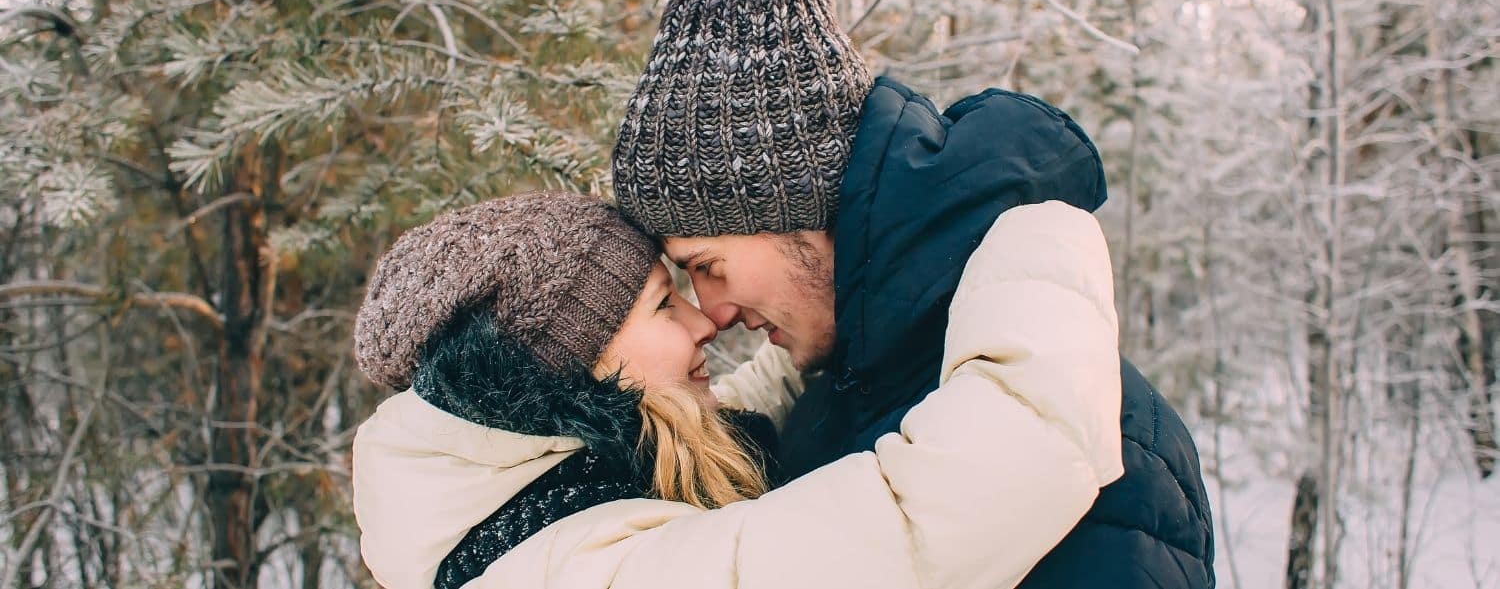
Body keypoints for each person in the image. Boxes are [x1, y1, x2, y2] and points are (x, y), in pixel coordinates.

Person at [609, 0, 1214, 587]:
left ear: (796, 209)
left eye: (707, 266)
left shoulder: (1086, 451)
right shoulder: (849, 385)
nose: (711, 314)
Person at [351, 191, 1124, 589]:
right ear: (567, 371)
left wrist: (809, 331)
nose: (706, 323)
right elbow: (945, 511)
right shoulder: (591, 572)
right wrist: (1039, 232)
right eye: (663, 301)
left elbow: (740, 413)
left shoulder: (521, 515)